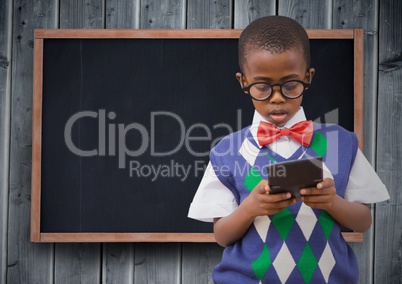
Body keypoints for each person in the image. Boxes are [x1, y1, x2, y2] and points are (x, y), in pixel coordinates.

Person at [187, 15, 389, 283]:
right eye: (262, 87)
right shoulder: (226, 151)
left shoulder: (341, 143)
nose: (278, 97)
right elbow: (222, 236)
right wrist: (250, 208)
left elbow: (363, 221)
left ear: (308, 77)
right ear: (243, 82)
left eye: (290, 85)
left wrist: (332, 202)